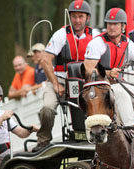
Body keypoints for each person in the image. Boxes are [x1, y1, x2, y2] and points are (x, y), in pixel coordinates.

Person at [32, 0, 98, 152]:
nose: (77, 20)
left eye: (81, 16)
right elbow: (45, 60)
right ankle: (43, 141)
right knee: (47, 109)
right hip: (60, 79)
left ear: (87, 18)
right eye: (74, 16)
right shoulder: (61, 34)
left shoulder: (94, 35)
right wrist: (56, 84)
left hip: (84, 81)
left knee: (102, 102)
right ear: (70, 17)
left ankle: (98, 137)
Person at [84, 8, 134, 126]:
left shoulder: (127, 43)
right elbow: (88, 68)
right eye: (109, 24)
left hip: (119, 84)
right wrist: (108, 73)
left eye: (115, 24)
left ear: (123, 26)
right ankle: (130, 130)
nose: (111, 27)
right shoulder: (97, 43)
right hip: (99, 87)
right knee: (123, 96)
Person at [0, 83, 39, 160]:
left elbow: (21, 133)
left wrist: (30, 129)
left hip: (8, 155)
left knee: (33, 154)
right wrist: (2, 118)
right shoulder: (4, 116)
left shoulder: (4, 114)